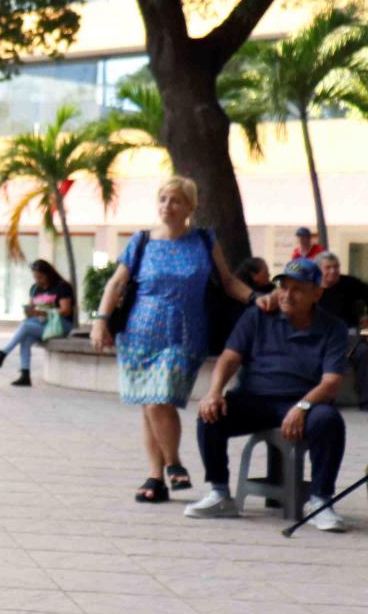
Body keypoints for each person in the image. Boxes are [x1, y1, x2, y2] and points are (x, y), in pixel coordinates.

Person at [91, 177, 267, 505]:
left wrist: (256, 298)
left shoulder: (203, 240)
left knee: (159, 398)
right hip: (140, 334)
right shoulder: (142, 241)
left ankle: (173, 463)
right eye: (162, 199)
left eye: (175, 200)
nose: (167, 206)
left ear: (190, 207)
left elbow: (228, 282)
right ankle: (156, 478)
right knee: (150, 404)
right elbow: (116, 283)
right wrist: (101, 321)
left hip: (185, 335)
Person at [185, 259, 351, 531]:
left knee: (329, 421)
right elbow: (229, 357)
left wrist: (302, 406)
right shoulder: (257, 316)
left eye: (297, 289)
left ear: (317, 293)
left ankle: (320, 502)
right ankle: (219, 493)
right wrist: (214, 392)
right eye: (283, 287)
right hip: (255, 398)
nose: (287, 295)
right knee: (210, 414)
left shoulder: (333, 327)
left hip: (304, 402)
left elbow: (331, 382)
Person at [0, 259, 75, 388]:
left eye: (41, 277)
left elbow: (66, 311)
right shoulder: (35, 288)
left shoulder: (62, 287)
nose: (38, 280)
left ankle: (1, 354)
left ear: (49, 274)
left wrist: (44, 312)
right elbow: (31, 308)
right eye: (35, 277)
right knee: (25, 338)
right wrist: (29, 312)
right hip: (42, 324)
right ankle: (25, 375)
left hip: (61, 325)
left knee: (26, 326)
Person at [315, 251, 368, 411]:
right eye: (328, 267)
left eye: (336, 267)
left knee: (364, 352)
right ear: (319, 270)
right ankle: (321, 401)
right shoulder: (311, 287)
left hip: (349, 337)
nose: (333, 271)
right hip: (321, 339)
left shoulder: (349, 283)